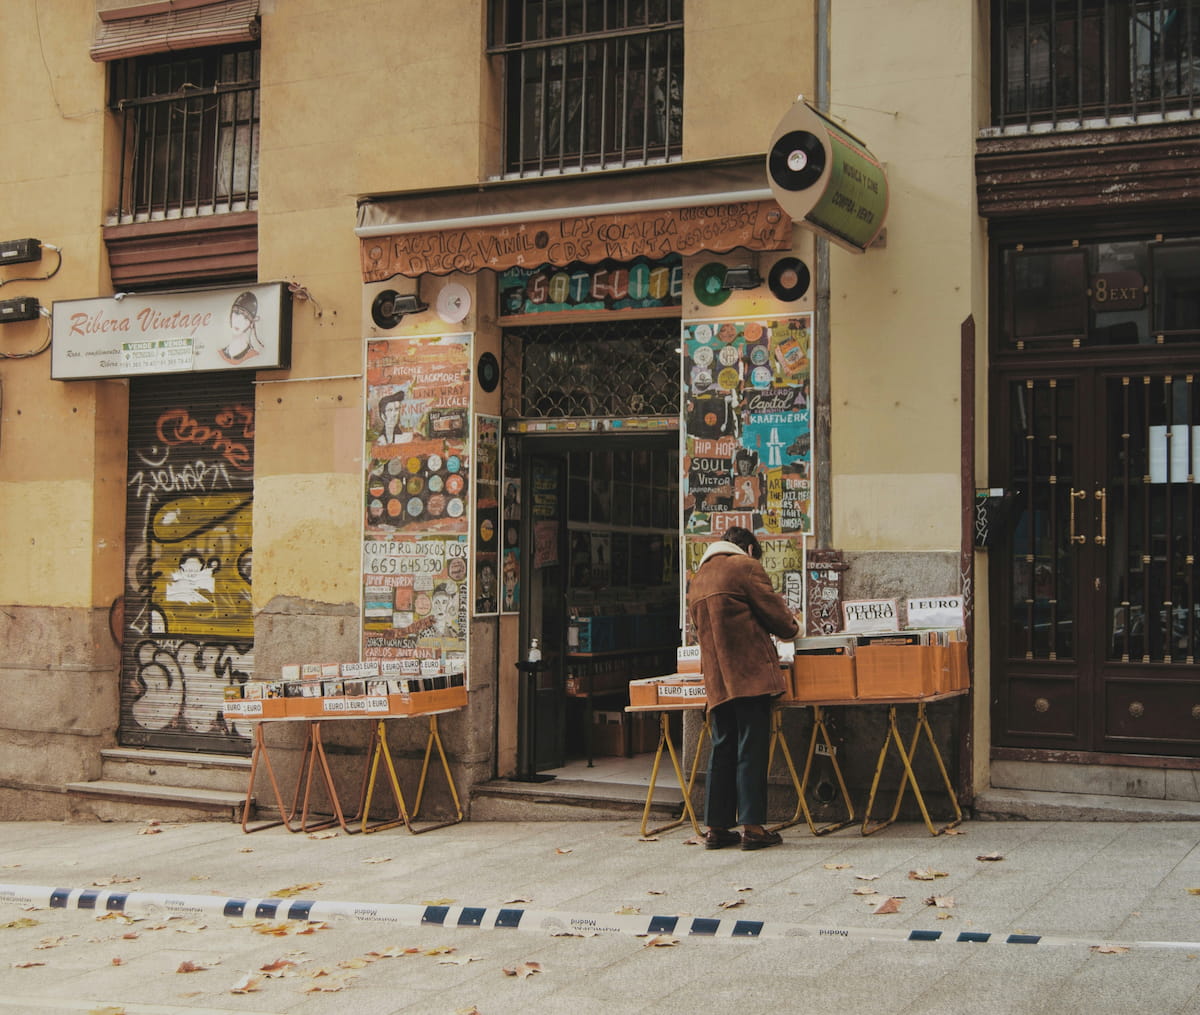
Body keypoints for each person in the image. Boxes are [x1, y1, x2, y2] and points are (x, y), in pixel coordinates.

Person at [687, 525, 799, 851]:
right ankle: (752, 827)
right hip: (749, 675)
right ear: (749, 550)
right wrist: (794, 626)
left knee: (722, 747)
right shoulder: (744, 567)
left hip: (717, 680)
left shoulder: (700, 577)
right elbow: (781, 620)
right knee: (751, 747)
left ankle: (716, 828)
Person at [218, 291, 263, 365]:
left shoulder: (253, 357)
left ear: (251, 324)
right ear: (231, 314)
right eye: (236, 313)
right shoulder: (220, 354)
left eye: (245, 317)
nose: (239, 321)